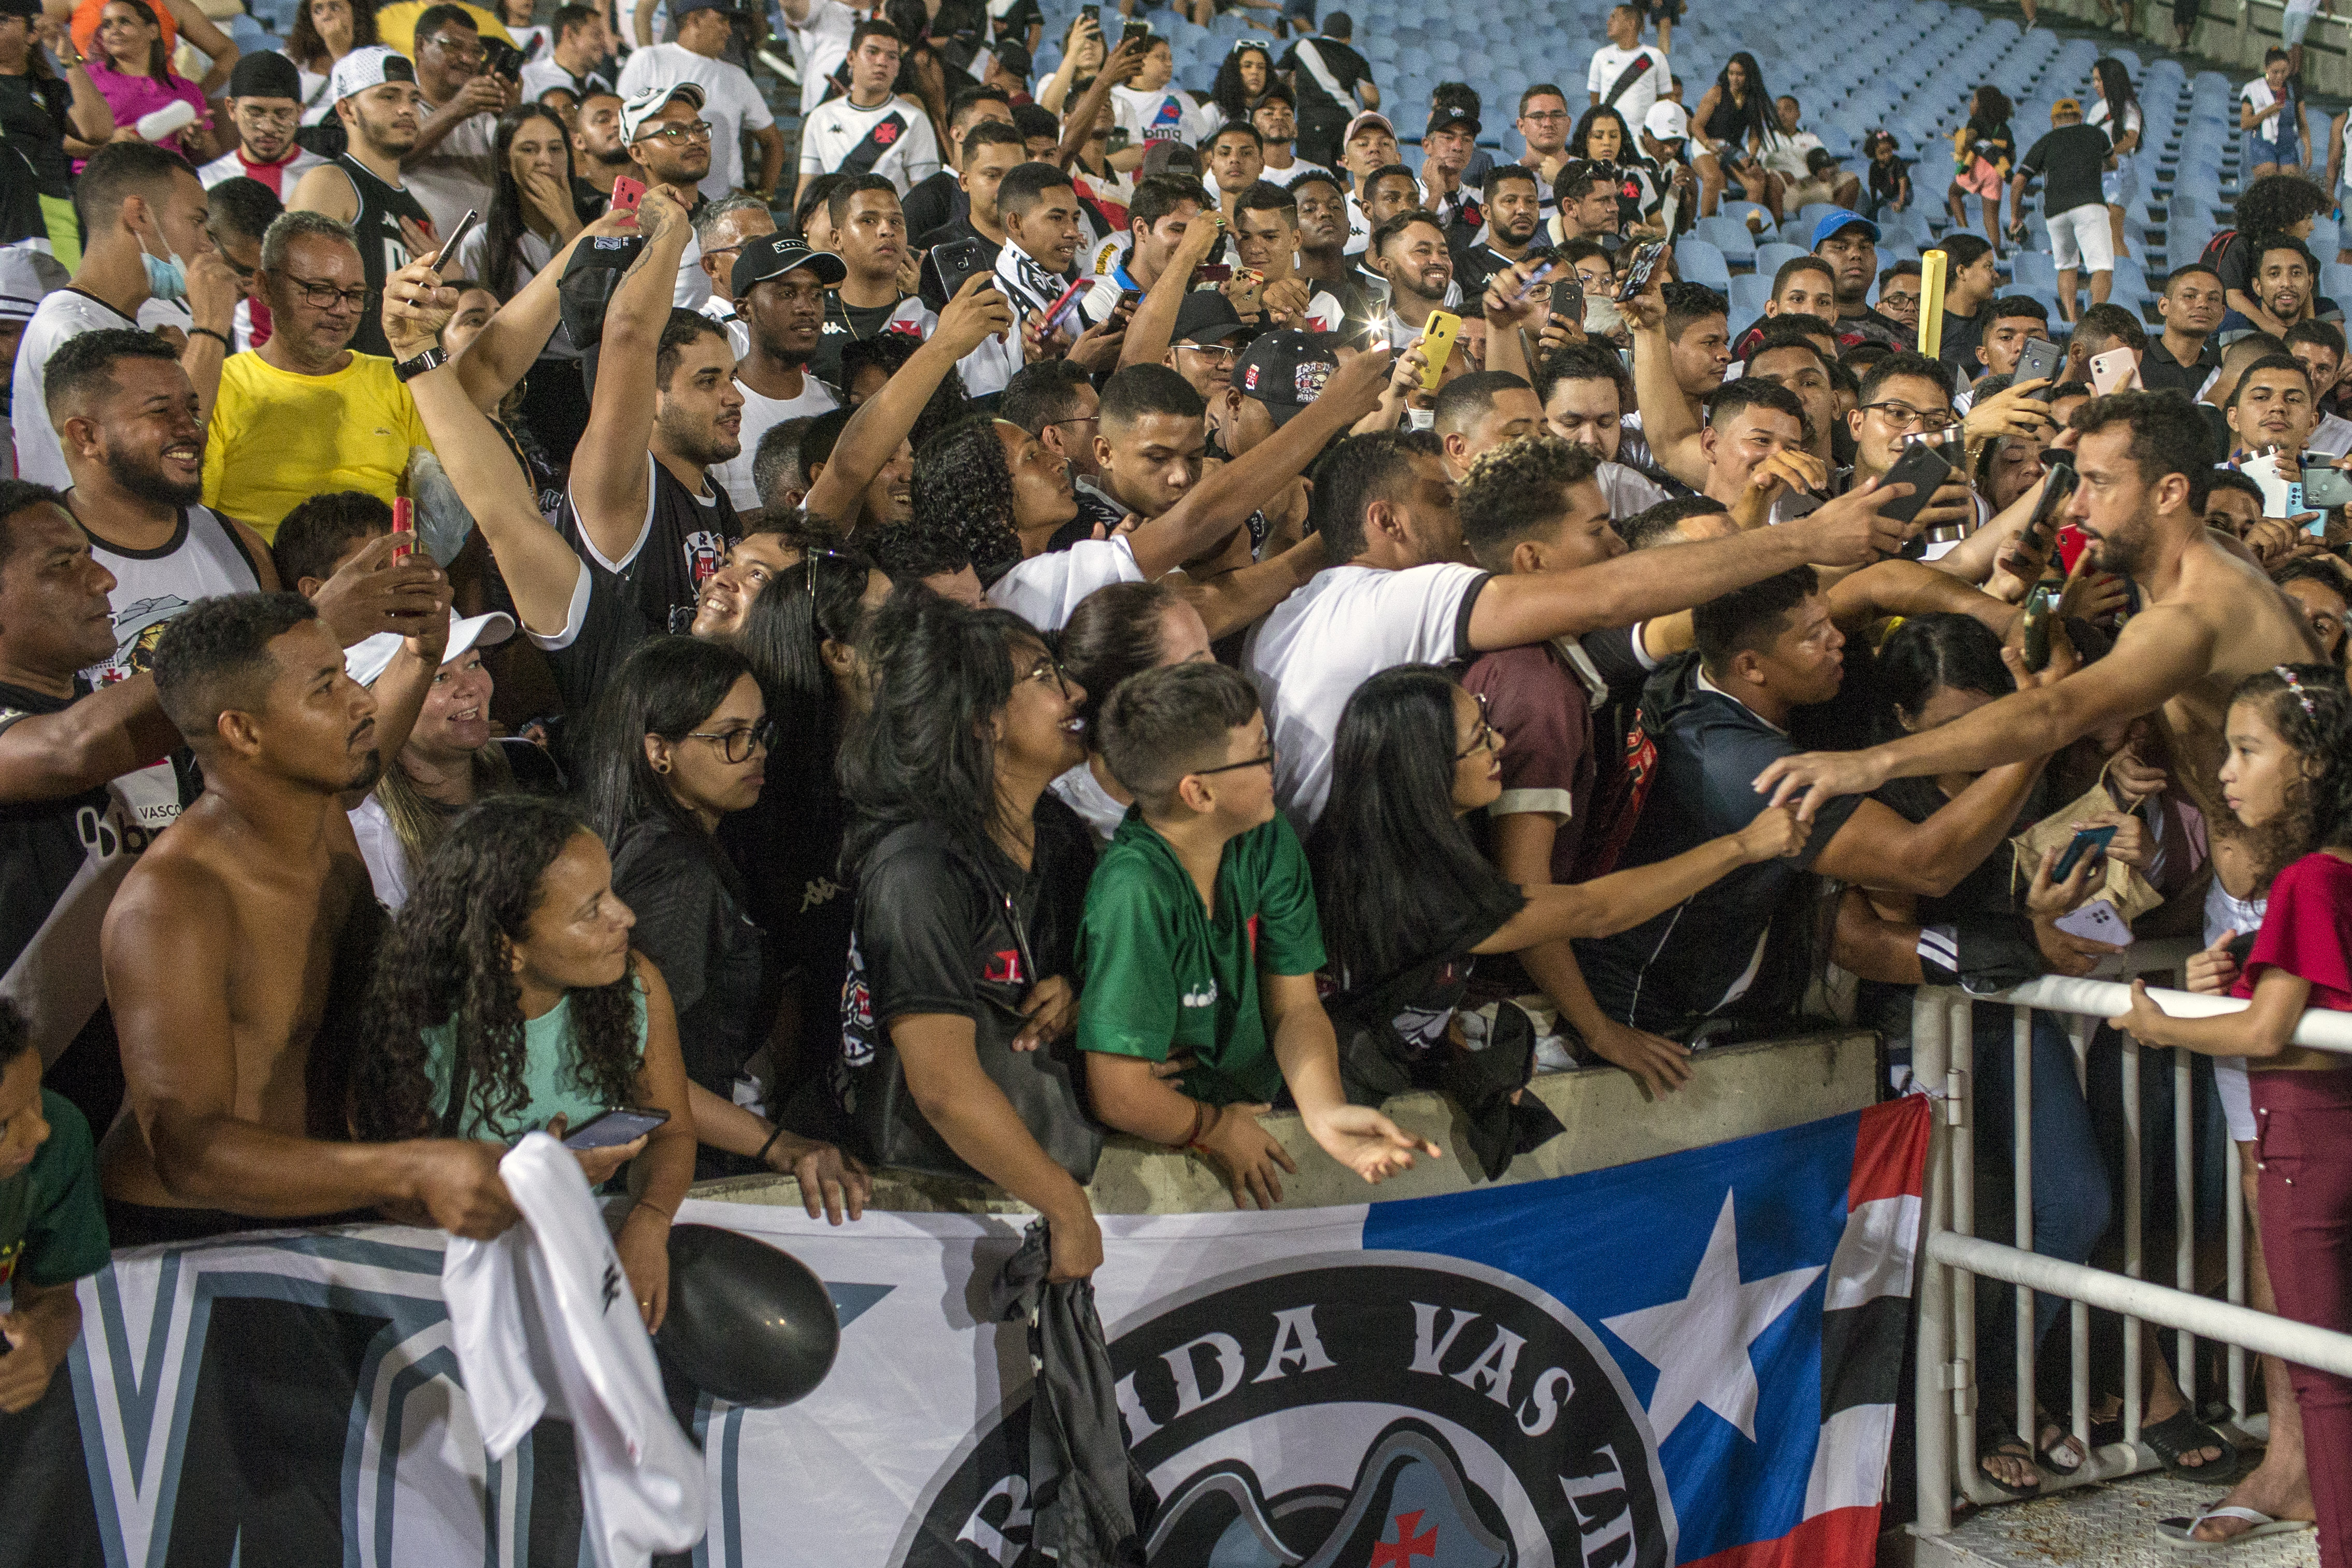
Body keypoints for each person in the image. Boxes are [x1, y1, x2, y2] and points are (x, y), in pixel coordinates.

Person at [97, 589, 528, 1246]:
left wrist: (422, 655)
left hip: (333, 1195)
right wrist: (407, 1169)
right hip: (188, 1235)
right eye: (326, 688)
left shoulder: (320, 805)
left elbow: (372, 749)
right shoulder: (173, 903)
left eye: (349, 674)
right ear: (244, 732)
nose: (363, 702)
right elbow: (187, 1152)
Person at [1246, 424, 1919, 825]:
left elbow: (1658, 618)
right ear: (1386, 520)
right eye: (1442, 499)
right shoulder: (1407, 602)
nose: (1461, 513)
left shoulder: (1290, 612)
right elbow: (1606, 597)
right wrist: (1804, 538)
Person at [1307, 663, 1805, 1138]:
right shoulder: (1421, 891)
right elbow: (1594, 911)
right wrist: (1742, 846)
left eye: (1487, 723)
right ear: (1425, 769)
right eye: (1478, 740)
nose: (1499, 744)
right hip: (1353, 1111)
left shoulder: (1381, 838)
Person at [2110, 665, 2352, 1560]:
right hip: (2331, 1129)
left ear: (2310, 765)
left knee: (2321, 1372)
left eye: (2246, 750)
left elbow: (2266, 1030)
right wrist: (2228, 979)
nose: (2222, 773)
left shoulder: (2305, 880)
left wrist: (2160, 1023)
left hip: (2303, 1145)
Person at [1074, 660, 1437, 1207]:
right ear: (1199, 793)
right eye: (1261, 752)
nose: (1276, 763)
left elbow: (1295, 1007)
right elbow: (1120, 1094)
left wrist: (1325, 1111)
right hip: (1162, 1146)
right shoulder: (1135, 891)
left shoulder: (1265, 840)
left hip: (1254, 1111)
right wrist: (1216, 1128)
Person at [836, 589, 1104, 1279]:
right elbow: (943, 1088)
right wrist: (1066, 1208)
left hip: (1023, 1180)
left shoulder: (1060, 834)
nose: (1074, 691)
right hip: (923, 1216)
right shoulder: (917, 869)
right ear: (983, 720)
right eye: (1043, 675)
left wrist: (1079, 996)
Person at [353, 794, 693, 1326]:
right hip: (454, 1292)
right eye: (592, 909)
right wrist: (535, 1184)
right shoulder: (419, 1023)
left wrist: (648, 1224)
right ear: (506, 948)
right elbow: (394, 1197)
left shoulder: (635, 986)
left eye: (612, 891)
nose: (625, 915)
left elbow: (673, 1133)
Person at [574, 633, 870, 1213]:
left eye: (759, 733)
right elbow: (638, 1065)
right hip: (664, 1178)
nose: (756, 752)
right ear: (658, 750)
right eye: (731, 736)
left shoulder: (685, 845)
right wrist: (780, 1145)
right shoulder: (673, 872)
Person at [11, 142, 238, 489]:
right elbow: (167, 448)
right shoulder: (69, 329)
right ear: (139, 215)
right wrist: (210, 329)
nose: (206, 245)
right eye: (196, 221)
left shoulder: (119, 322)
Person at [201, 211, 433, 540]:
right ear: (266, 288)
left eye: (355, 295)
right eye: (321, 291)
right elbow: (198, 525)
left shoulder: (397, 381)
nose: (341, 310)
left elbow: (438, 511)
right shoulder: (219, 385)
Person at [344, 607, 546, 907]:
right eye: (439, 677)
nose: (471, 689)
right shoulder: (368, 834)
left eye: (474, 663)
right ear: (382, 703)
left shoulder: (525, 762)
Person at [286, 46, 437, 360]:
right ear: (347, 109)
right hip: (339, 379)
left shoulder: (418, 210)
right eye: (388, 97)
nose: (407, 109)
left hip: (402, 379)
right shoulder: (328, 184)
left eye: (414, 99)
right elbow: (294, 300)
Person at [0, 999, 107, 1419]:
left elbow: (55, 1295)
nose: (39, 1130)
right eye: (4, 1126)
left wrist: (42, 1342)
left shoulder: (59, 1140)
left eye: (36, 1095)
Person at [710, 234, 843, 513]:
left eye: (816, 295)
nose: (807, 308)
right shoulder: (715, 406)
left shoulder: (835, 402)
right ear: (744, 309)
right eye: (787, 294)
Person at [616, 0, 779, 204]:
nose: (729, 30)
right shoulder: (649, 59)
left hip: (724, 205)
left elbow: (772, 141)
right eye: (722, 20)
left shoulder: (737, 76)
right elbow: (622, 133)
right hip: (659, 201)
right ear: (695, 20)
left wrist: (763, 197)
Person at [0, 0, 115, 266]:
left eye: (3, 19)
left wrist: (69, 59)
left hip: (53, 215)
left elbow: (98, 131)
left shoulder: (48, 89)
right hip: (8, 213)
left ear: (32, 33)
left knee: (56, 289)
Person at [399, 5, 511, 241]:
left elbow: (515, 168)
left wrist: (512, 117)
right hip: (423, 252)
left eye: (476, 52)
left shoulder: (482, 110)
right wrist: (457, 109)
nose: (467, 59)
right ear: (420, 46)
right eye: (453, 46)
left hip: (484, 252)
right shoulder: (400, 104)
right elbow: (395, 156)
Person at [797, 20, 942, 201]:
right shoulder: (821, 117)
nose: (882, 62)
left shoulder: (914, 119)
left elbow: (925, 197)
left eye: (892, 56)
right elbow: (807, 189)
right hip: (835, 218)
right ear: (851, 58)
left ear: (898, 66)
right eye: (872, 52)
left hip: (890, 218)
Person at [813, 176, 932, 387]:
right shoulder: (811, 316)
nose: (887, 231)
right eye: (868, 220)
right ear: (837, 239)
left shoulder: (931, 316)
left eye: (896, 221)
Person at [2012, 98, 2115, 322]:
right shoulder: (2095, 134)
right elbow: (2113, 163)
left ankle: (2070, 319)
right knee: (2102, 266)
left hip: (2056, 211)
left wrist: (2015, 216)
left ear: (2053, 121)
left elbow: (2019, 180)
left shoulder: (2046, 141)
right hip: (2090, 205)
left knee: (2066, 267)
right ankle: (2094, 320)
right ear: (2080, 117)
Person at [78, 0, 211, 169]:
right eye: (107, 25)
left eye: (124, 22)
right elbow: (64, 142)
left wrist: (197, 142)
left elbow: (209, 157)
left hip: (167, 176)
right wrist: (110, 142)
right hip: (107, 176)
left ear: (152, 31)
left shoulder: (186, 89)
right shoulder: (86, 78)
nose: (114, 30)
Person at [198, 50, 321, 196]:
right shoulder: (205, 182)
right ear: (232, 109)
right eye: (255, 114)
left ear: (300, 113)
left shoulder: (331, 179)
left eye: (282, 114)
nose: (268, 128)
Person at [1277, 9, 1374, 169]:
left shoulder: (1302, 46)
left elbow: (1275, 77)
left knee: (1311, 175)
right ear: (1348, 38)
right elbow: (1371, 98)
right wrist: (1364, 114)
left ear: (1323, 31)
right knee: (1339, 176)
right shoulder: (1356, 57)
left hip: (1311, 122)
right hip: (1346, 123)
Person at [1689, 52, 1778, 220]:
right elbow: (1696, 125)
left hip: (1729, 148)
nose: (1734, 79)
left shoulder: (1755, 101)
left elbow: (1754, 135)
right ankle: (1708, 224)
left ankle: (1746, 226)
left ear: (1749, 76)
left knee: (1757, 183)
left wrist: (1752, 157)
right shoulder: (1717, 93)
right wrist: (1708, 143)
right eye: (1731, 73)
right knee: (1713, 178)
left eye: (1740, 74)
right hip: (1705, 143)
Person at [1813, 209, 1910, 350]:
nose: (1856, 254)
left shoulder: (1906, 337)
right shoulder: (1799, 329)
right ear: (1816, 261)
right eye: (1841, 247)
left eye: (1864, 247)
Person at [280, 0, 377, 122]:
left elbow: (365, 111)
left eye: (335, 8)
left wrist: (340, 54)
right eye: (318, 10)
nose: (326, 16)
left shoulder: (377, 59)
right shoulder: (288, 58)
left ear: (357, 14)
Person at [1585, 4, 1668, 139]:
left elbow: (1664, 98)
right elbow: (1595, 100)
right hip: (1611, 136)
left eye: (1614, 17)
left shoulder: (1655, 56)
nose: (1608, 22)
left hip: (1643, 137)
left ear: (1630, 23)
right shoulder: (1601, 56)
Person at [2087, 59, 2142, 262]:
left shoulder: (2128, 108)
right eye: (2094, 80)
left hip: (2120, 173)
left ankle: (2125, 275)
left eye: (2099, 80)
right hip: (2101, 174)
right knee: (2102, 232)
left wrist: (2107, 154)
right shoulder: (2096, 109)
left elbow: (2131, 139)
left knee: (2113, 231)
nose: (2095, 85)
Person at [1947, 84, 2015, 249]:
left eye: (1973, 101)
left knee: (1954, 193)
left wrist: (1964, 144)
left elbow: (1970, 138)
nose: (1971, 104)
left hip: (1977, 166)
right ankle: (1995, 252)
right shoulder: (2004, 127)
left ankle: (1964, 230)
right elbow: (2012, 155)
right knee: (1991, 217)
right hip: (1996, 171)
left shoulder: (1975, 121)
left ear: (1981, 105)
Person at [2143, 264, 2226, 395]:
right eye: (2190, 296)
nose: (2203, 304)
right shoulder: (2135, 360)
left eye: (2213, 299)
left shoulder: (2224, 373)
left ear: (2222, 314)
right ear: (2164, 306)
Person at [518, 3, 615, 112]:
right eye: (596, 35)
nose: (604, 43)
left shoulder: (603, 86)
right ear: (570, 35)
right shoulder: (528, 79)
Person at [2241, 47, 2306, 179]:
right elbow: (2245, 124)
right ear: (2266, 69)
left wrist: (2308, 147)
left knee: (2290, 185)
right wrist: (2268, 111)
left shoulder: (2292, 89)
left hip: (2288, 145)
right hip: (2263, 144)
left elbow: (2302, 122)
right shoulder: (2254, 89)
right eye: (2275, 72)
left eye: (2284, 71)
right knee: (2269, 184)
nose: (2280, 76)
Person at [1251, 83, 1324, 189]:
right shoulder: (1241, 176)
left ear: (1295, 130)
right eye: (1269, 113)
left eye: (1287, 114)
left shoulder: (1319, 176)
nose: (1279, 117)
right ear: (1253, 129)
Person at [1864, 131, 1911, 222]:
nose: (1887, 155)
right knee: (1873, 213)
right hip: (1888, 196)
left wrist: (1901, 202)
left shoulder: (1896, 162)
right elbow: (1873, 187)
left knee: (1893, 209)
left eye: (1889, 151)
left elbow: (1903, 182)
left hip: (1903, 193)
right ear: (1874, 153)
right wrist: (1874, 203)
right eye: (1882, 153)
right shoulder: (1874, 167)